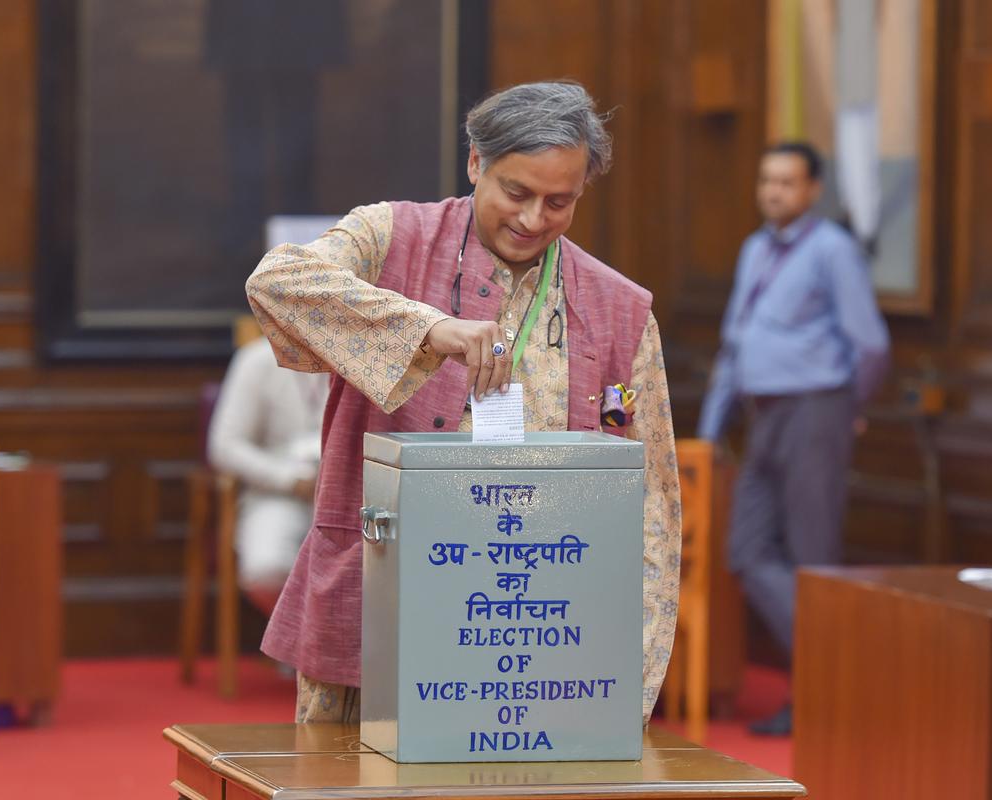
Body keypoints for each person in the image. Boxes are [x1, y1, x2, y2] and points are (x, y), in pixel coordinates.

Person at [245, 81, 681, 725]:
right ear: (476, 164)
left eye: (559, 202)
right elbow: (276, 284)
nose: (534, 220)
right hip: (384, 596)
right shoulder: (389, 237)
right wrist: (425, 329)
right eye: (517, 193)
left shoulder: (618, 312)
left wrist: (632, 675)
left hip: (539, 618)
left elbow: (649, 495)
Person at [697, 141, 890, 735]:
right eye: (766, 180)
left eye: (786, 182)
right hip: (764, 414)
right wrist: (708, 431)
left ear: (813, 191)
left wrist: (847, 408)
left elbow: (871, 344)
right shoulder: (756, 249)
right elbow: (735, 346)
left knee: (813, 558)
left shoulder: (832, 251)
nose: (773, 192)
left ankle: (821, 696)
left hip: (815, 409)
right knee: (747, 551)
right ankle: (835, 668)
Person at [208, 323, 329, 616]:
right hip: (277, 492)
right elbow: (225, 446)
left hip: (347, 493)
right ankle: (299, 646)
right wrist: (288, 480)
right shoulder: (256, 359)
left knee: (369, 573)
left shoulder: (364, 361)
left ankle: (329, 650)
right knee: (265, 569)